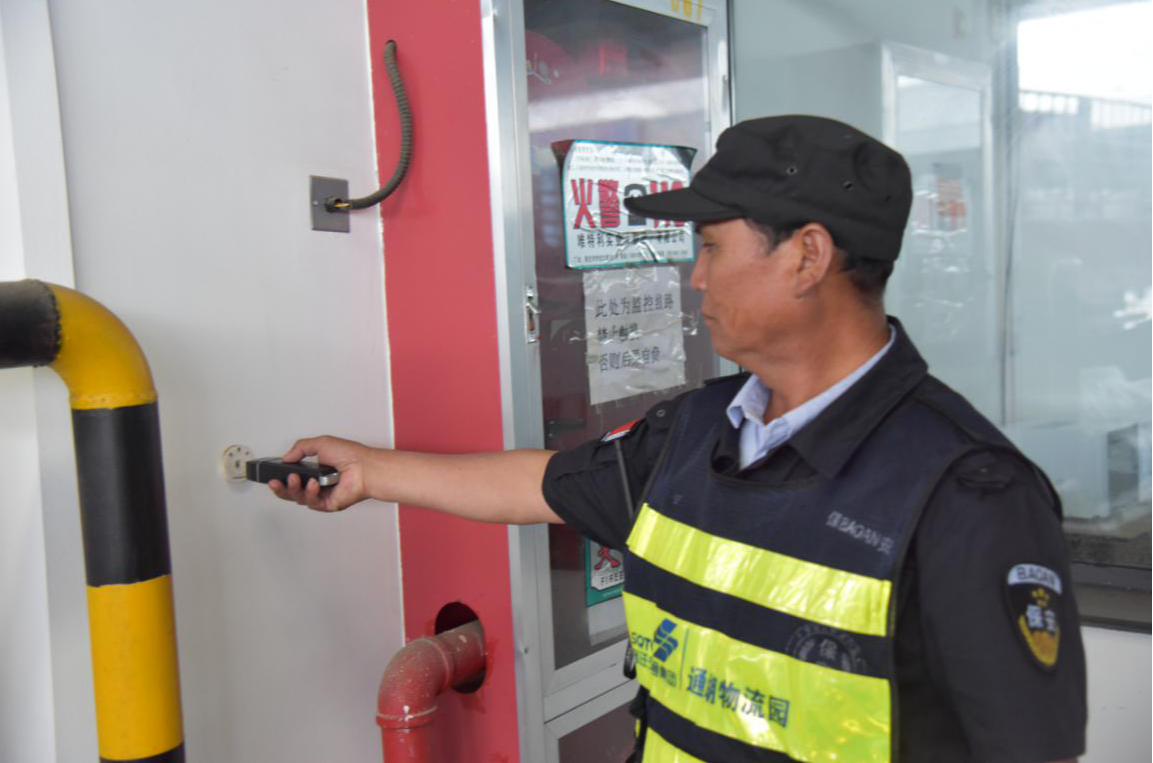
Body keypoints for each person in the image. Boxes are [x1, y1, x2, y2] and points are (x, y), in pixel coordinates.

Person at [270, 116, 1086, 763]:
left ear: (806, 257)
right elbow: (543, 484)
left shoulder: (965, 493)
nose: (694, 278)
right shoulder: (697, 429)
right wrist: (370, 472)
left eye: (711, 248)